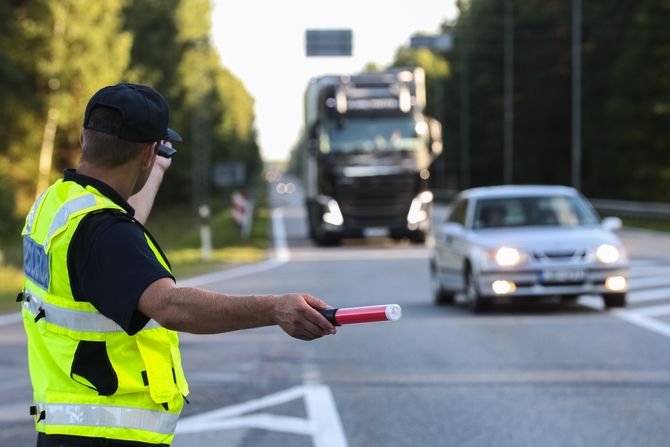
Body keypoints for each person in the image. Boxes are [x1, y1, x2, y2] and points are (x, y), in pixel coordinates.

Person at [20, 83, 337, 447]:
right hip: (106, 434)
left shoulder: (56, 206)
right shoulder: (105, 234)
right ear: (148, 151)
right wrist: (275, 309)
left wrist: (154, 170)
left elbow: (117, 242)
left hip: (65, 428)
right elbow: (169, 305)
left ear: (83, 138)